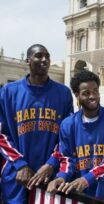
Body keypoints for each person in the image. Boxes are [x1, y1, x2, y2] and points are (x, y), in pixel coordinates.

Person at [0, 44, 74, 203]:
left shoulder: (63, 93)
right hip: (16, 173)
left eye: (47, 56)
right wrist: (20, 164)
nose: (44, 60)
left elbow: (67, 137)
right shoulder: (8, 91)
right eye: (39, 56)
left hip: (49, 175)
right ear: (28, 60)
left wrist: (51, 164)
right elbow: (1, 134)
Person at [46, 70, 104, 203]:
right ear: (77, 95)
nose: (93, 96)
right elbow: (67, 158)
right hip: (78, 195)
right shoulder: (68, 124)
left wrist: (88, 178)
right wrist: (61, 177)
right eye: (86, 93)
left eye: (95, 91)